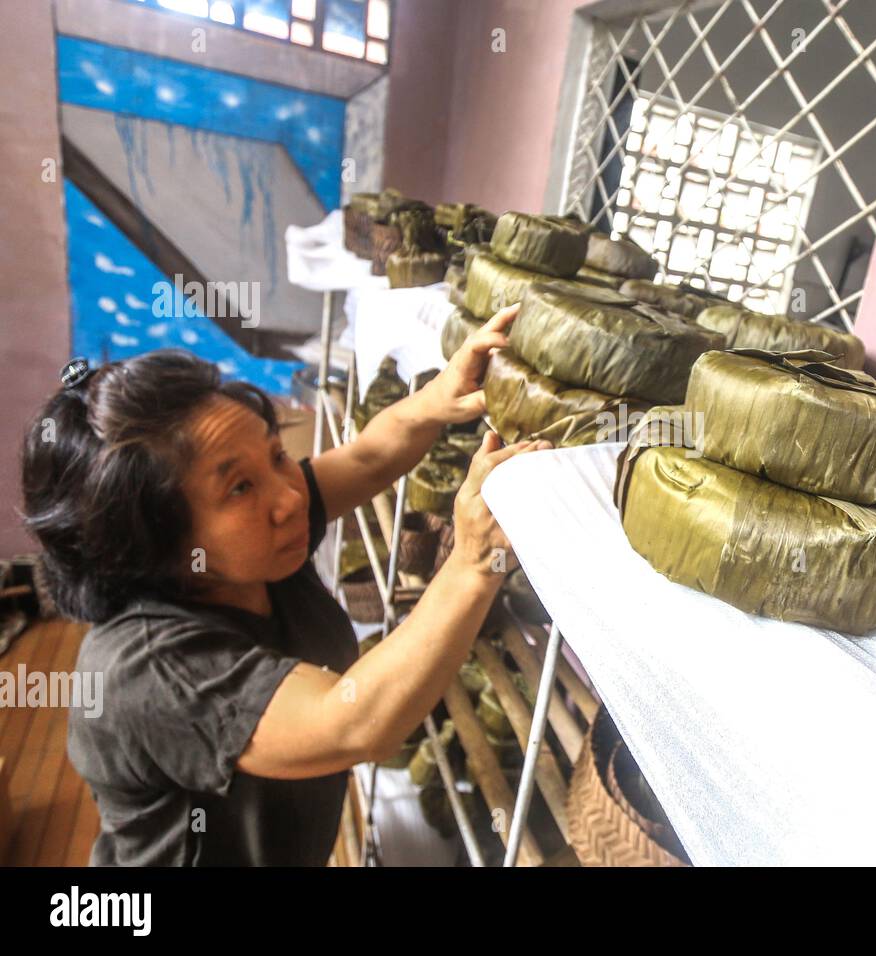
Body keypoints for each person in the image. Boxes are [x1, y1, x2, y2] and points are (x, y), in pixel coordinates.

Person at [20, 304, 548, 865]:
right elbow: (354, 724)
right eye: (240, 488)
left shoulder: (256, 544)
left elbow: (369, 457)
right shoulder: (148, 669)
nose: (290, 496)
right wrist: (472, 562)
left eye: (276, 455)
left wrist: (442, 396)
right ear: (152, 542)